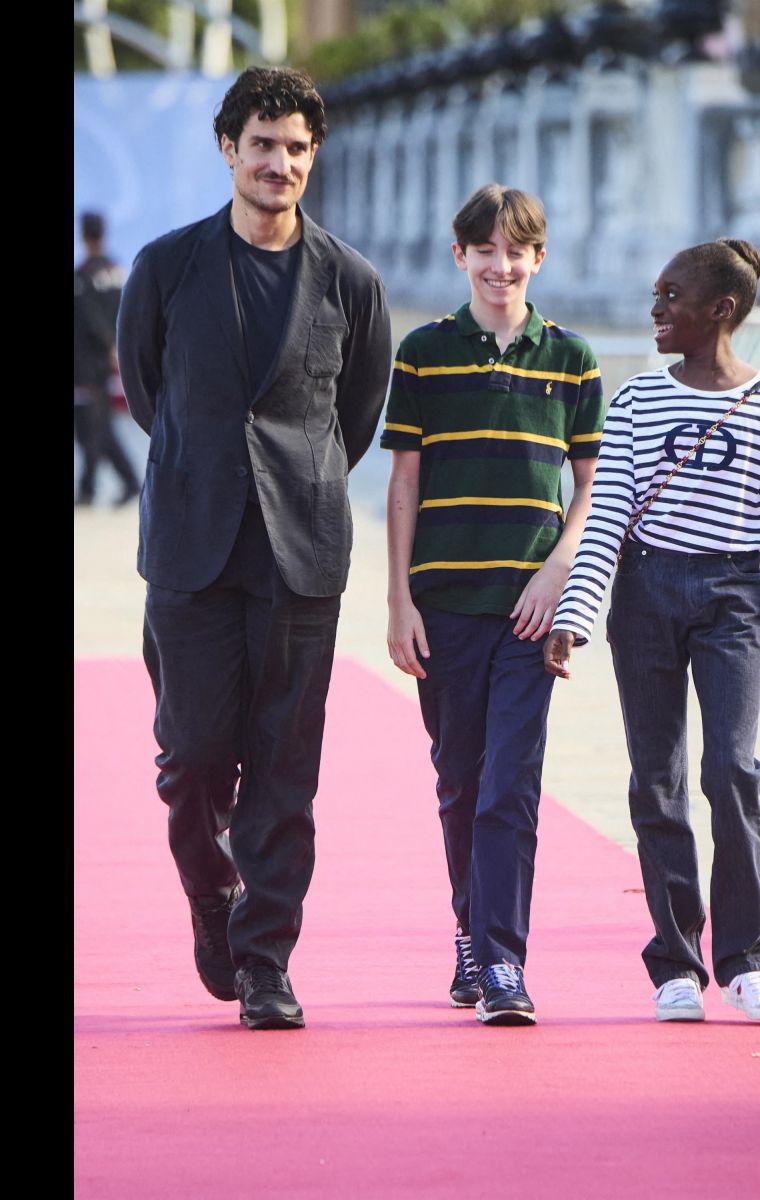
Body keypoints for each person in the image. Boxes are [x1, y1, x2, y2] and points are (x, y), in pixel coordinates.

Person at [116, 67, 392, 1031]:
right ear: (229, 150)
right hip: (191, 550)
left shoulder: (352, 281)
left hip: (300, 554)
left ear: (314, 158)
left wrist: (290, 482)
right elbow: (151, 395)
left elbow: (354, 415)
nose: (281, 164)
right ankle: (210, 892)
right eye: (263, 144)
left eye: (298, 149)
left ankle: (267, 961)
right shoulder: (164, 266)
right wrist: (211, 468)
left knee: (284, 767)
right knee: (192, 759)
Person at [544, 238, 760, 1023]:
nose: (655, 309)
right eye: (655, 294)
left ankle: (747, 958)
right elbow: (607, 513)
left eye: (670, 296)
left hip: (732, 597)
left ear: (721, 310)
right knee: (657, 778)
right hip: (644, 592)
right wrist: (575, 616)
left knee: (733, 771)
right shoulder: (642, 400)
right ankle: (675, 963)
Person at [382, 184, 605, 1025]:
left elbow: (591, 487)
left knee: (510, 783)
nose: (500, 266)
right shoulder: (423, 353)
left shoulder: (573, 358)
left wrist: (560, 573)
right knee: (459, 779)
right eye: (485, 251)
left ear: (537, 259)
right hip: (442, 604)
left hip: (529, 608)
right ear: (460, 257)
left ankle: (504, 962)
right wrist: (398, 599)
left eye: (516, 252)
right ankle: (469, 935)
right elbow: (402, 483)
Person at [74, 211, 140, 507]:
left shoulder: (83, 275)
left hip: (89, 363)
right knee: (99, 424)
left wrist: (108, 346)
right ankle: (128, 482)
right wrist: (119, 346)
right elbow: (128, 310)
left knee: (90, 425)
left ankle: (87, 488)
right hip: (111, 358)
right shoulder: (118, 270)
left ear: (83, 235)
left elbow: (88, 318)